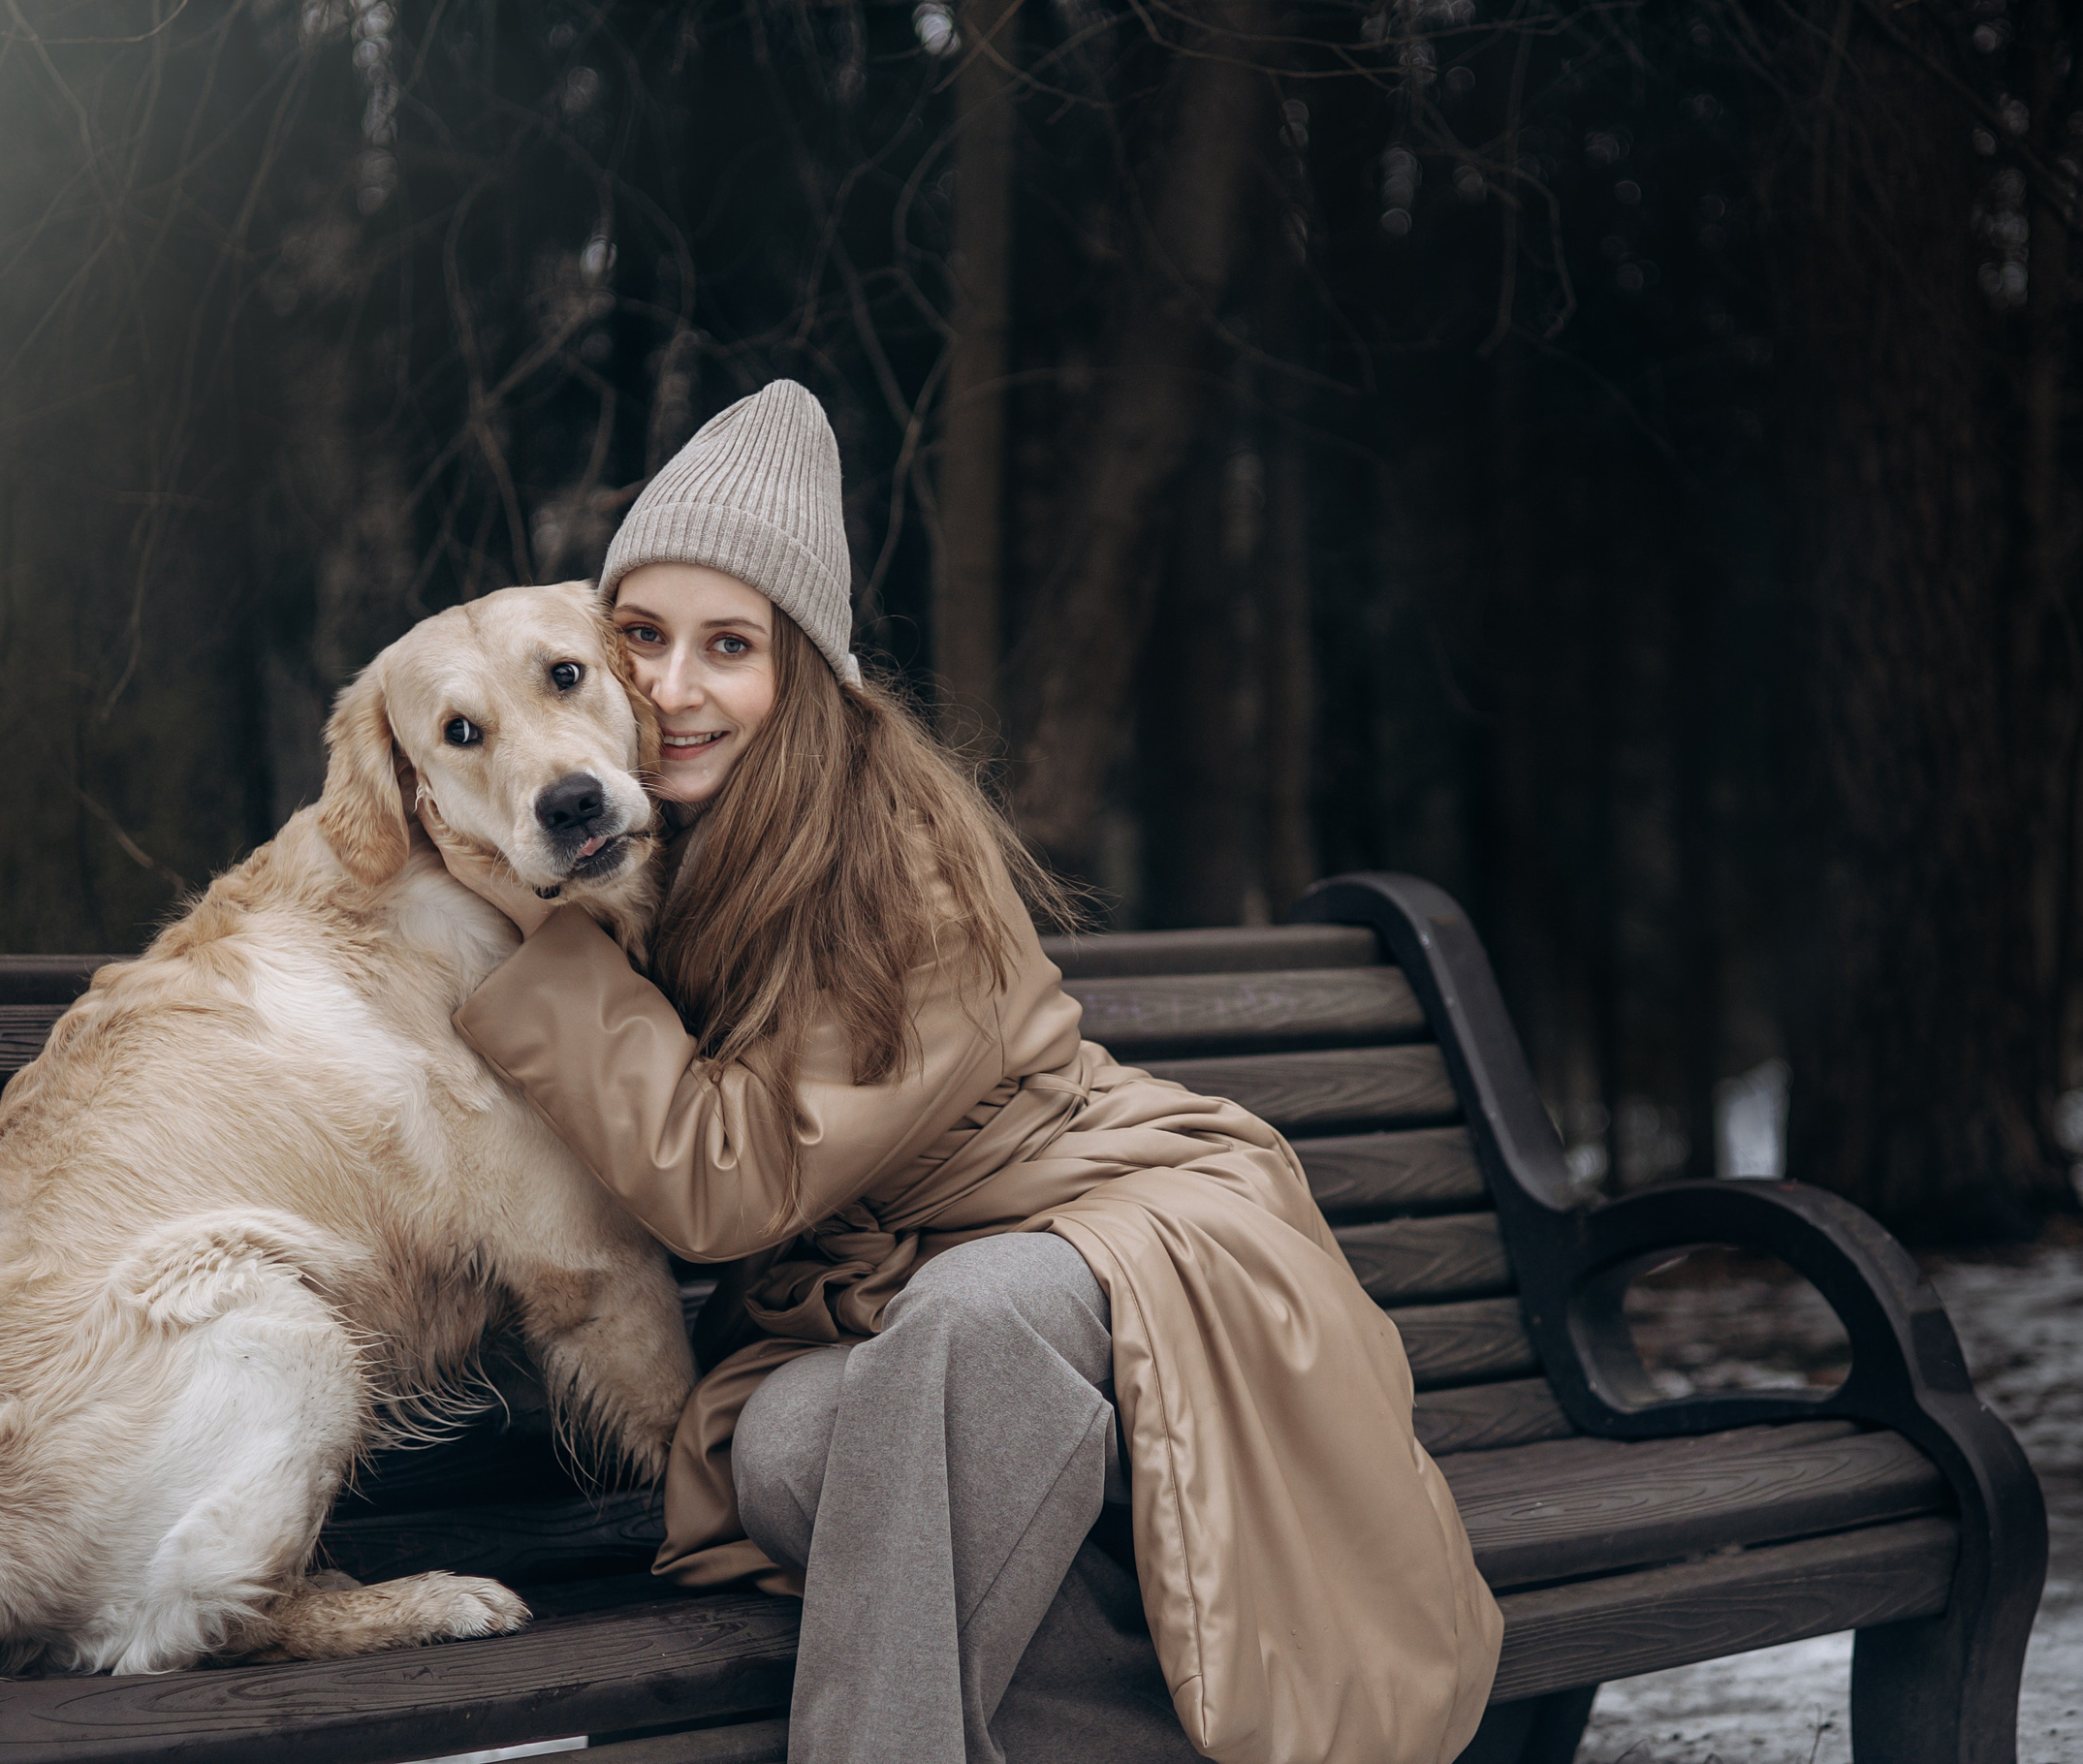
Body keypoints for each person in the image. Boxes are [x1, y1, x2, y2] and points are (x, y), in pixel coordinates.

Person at [425, 381, 1502, 1764]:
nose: (679, 687)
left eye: (731, 646)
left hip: (1124, 1229)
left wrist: (539, 961)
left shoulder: (895, 854)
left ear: (802, 669)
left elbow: (732, 1187)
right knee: (792, 1452)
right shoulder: (647, 836)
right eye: (643, 638)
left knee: (971, 1325)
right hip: (907, 1319)